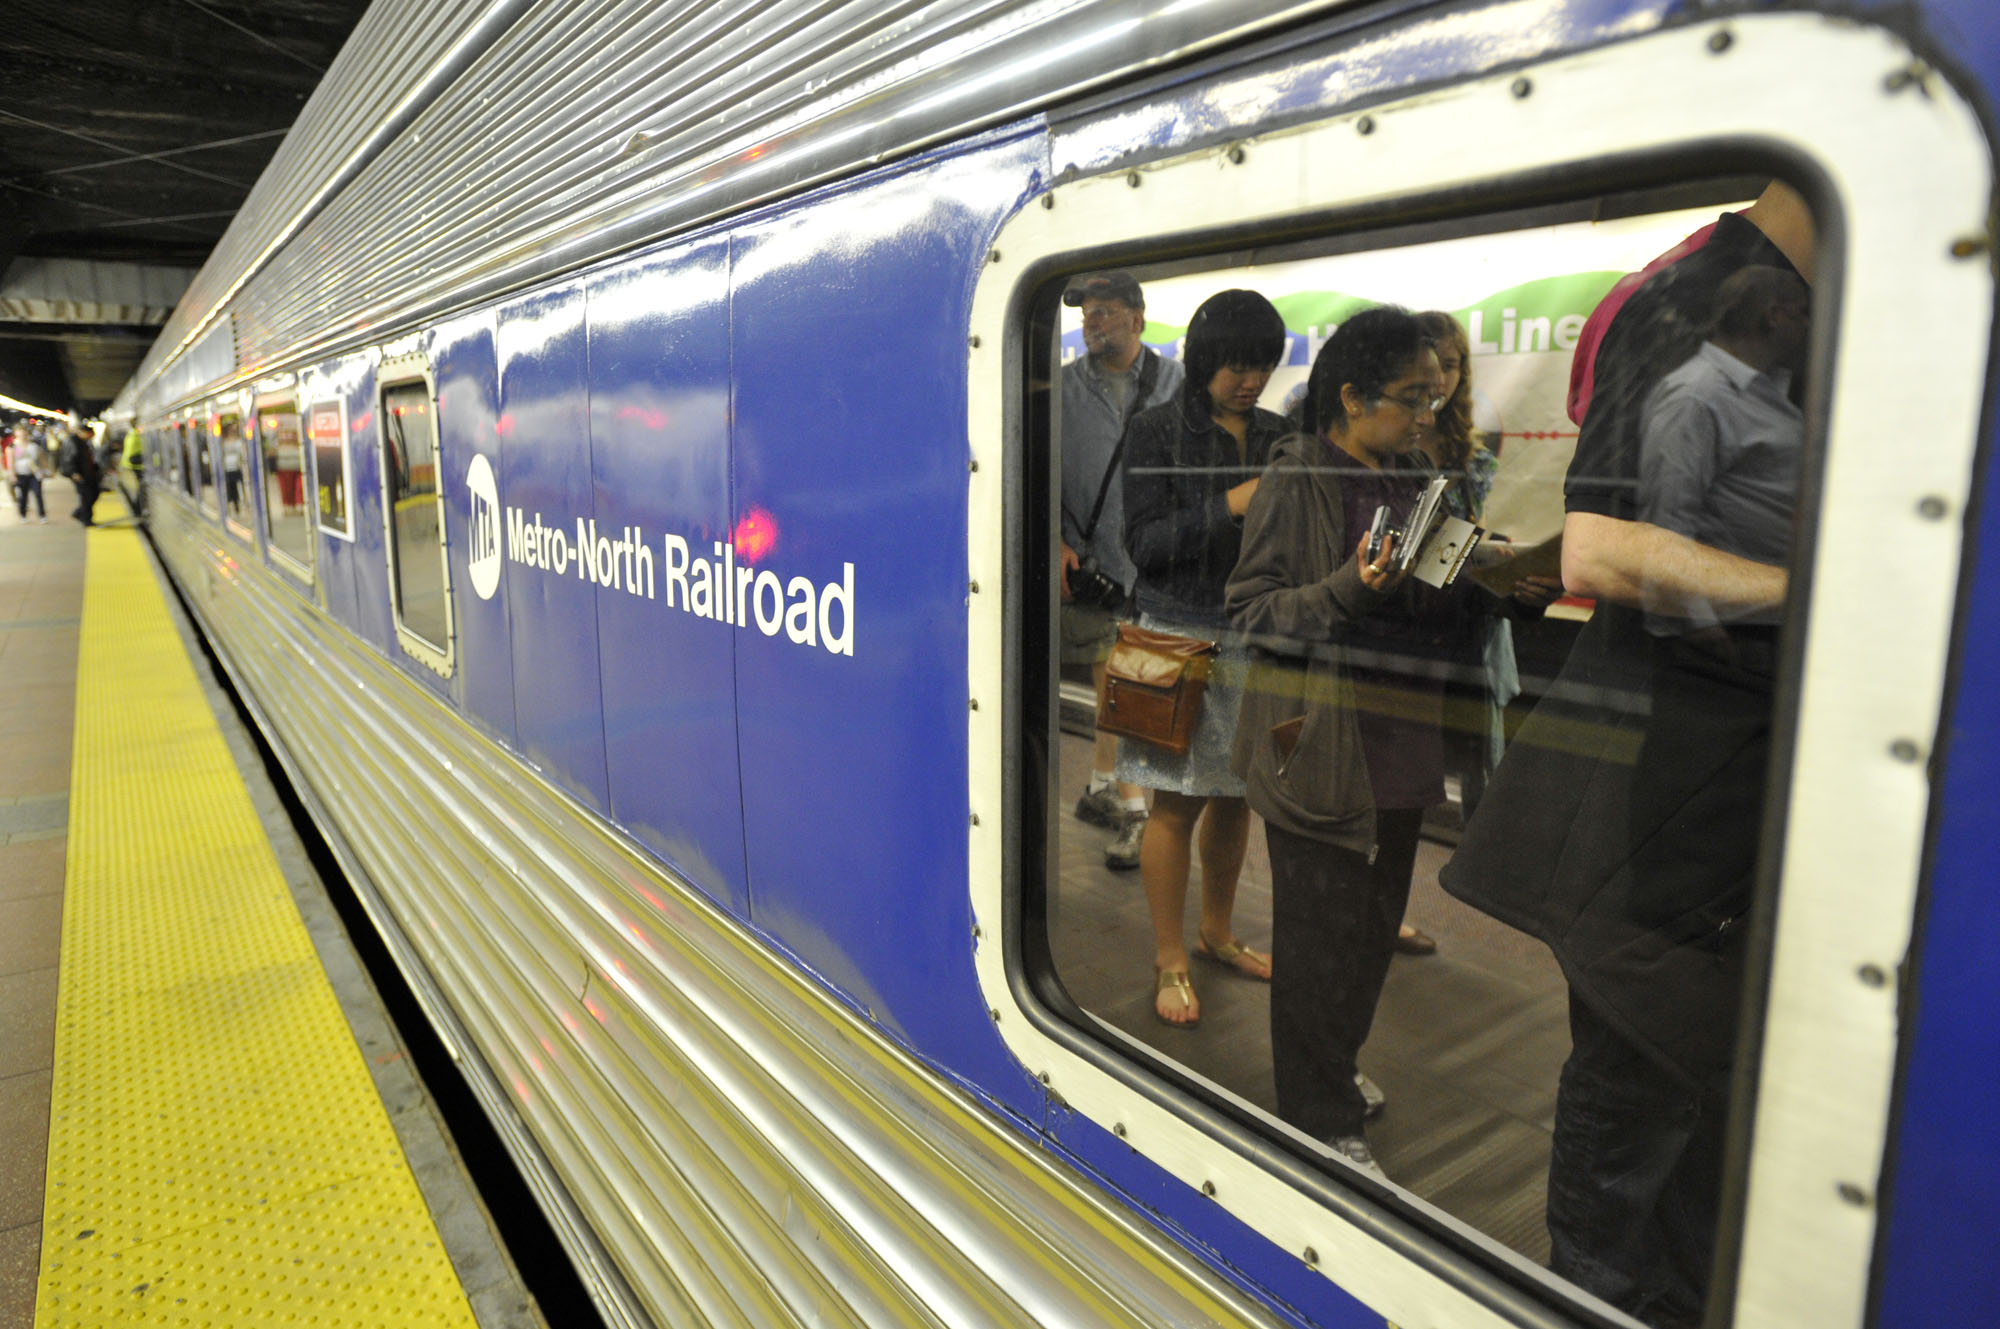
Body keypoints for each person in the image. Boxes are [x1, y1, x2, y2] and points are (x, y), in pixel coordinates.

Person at [1440, 182, 1814, 1327]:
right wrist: (1819, 589)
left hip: (1721, 787)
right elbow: (1602, 551)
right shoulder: (1692, 295)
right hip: (1662, 796)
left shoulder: (1789, 308)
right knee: (1637, 1092)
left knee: (1694, 1096)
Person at [1228, 306, 1556, 1173]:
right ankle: (1316, 1115)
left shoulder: (1418, 478)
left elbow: (1441, 594)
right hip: (1323, 745)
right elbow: (1253, 612)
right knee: (1316, 938)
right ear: (1350, 395)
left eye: (1434, 398)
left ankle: (1332, 1066)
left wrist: (1506, 587)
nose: (1425, 418)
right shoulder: (1298, 476)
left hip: (1403, 741)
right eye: (1411, 400)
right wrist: (1345, 588)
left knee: (1371, 931)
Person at [1120, 289, 1289, 1027]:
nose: (1249, 380)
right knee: (1173, 801)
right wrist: (1230, 505)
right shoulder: (1157, 431)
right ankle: (1169, 956)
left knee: (1235, 794)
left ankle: (1217, 932)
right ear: (1202, 359)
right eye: (1234, 365)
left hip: (1259, 632)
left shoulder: (1284, 434)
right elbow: (1144, 545)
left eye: (1261, 365)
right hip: (1176, 634)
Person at [1060, 271, 1185, 869]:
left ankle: (1120, 797)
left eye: (1106, 311)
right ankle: (1131, 809)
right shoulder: (1060, 390)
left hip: (1159, 568)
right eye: (1087, 313)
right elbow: (1038, 471)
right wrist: (1057, 542)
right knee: (1114, 687)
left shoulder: (1176, 385)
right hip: (1090, 565)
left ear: (1138, 318)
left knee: (1145, 692)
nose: (1093, 322)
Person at [62, 424, 102, 527]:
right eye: (90, 434)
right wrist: (73, 473)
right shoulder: (72, 441)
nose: (91, 437)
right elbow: (68, 458)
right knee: (87, 496)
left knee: (94, 493)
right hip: (79, 474)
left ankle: (79, 513)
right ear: (83, 432)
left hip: (88, 473)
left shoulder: (82, 442)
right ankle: (86, 519)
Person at [11, 430, 47, 523]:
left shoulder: (34, 446)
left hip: (34, 474)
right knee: (23, 496)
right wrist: (13, 475)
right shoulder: (13, 447)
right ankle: (23, 515)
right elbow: (11, 462)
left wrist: (43, 470)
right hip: (21, 474)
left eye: (24, 434)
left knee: (38, 494)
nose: (22, 436)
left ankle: (42, 515)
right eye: (20, 434)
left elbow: (41, 458)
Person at [122, 421, 146, 519]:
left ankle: (137, 509)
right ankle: (137, 509)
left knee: (141, 487)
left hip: (134, 465)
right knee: (141, 487)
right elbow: (132, 455)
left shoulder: (132, 434)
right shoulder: (134, 436)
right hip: (136, 466)